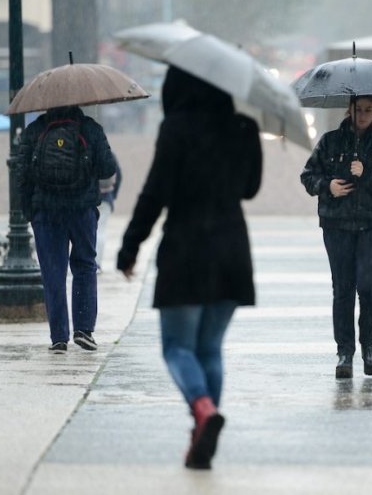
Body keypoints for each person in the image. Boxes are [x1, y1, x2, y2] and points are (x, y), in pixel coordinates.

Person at [117, 66, 262, 470]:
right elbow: (250, 187)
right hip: (232, 249)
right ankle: (203, 429)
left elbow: (155, 193)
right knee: (210, 348)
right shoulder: (245, 128)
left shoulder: (176, 128)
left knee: (177, 347)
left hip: (187, 249)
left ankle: (201, 411)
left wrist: (130, 247)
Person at [300, 95, 372, 379]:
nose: (364, 115)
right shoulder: (330, 141)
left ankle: (368, 345)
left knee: (368, 288)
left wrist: (366, 173)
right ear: (350, 109)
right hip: (337, 224)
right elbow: (308, 175)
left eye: (369, 110)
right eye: (359, 110)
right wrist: (327, 185)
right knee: (343, 289)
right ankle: (345, 351)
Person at [18, 105, 116, 354]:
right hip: (82, 210)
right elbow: (108, 169)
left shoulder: (35, 130)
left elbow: (22, 174)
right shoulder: (91, 128)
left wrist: (30, 211)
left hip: (46, 212)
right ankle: (84, 330)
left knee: (53, 273)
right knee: (84, 266)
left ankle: (59, 337)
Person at [95, 152, 122, 272]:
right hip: (106, 198)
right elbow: (119, 175)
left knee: (89, 231)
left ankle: (89, 262)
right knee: (100, 230)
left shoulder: (86, 149)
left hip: (89, 198)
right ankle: (97, 263)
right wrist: (113, 195)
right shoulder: (109, 154)